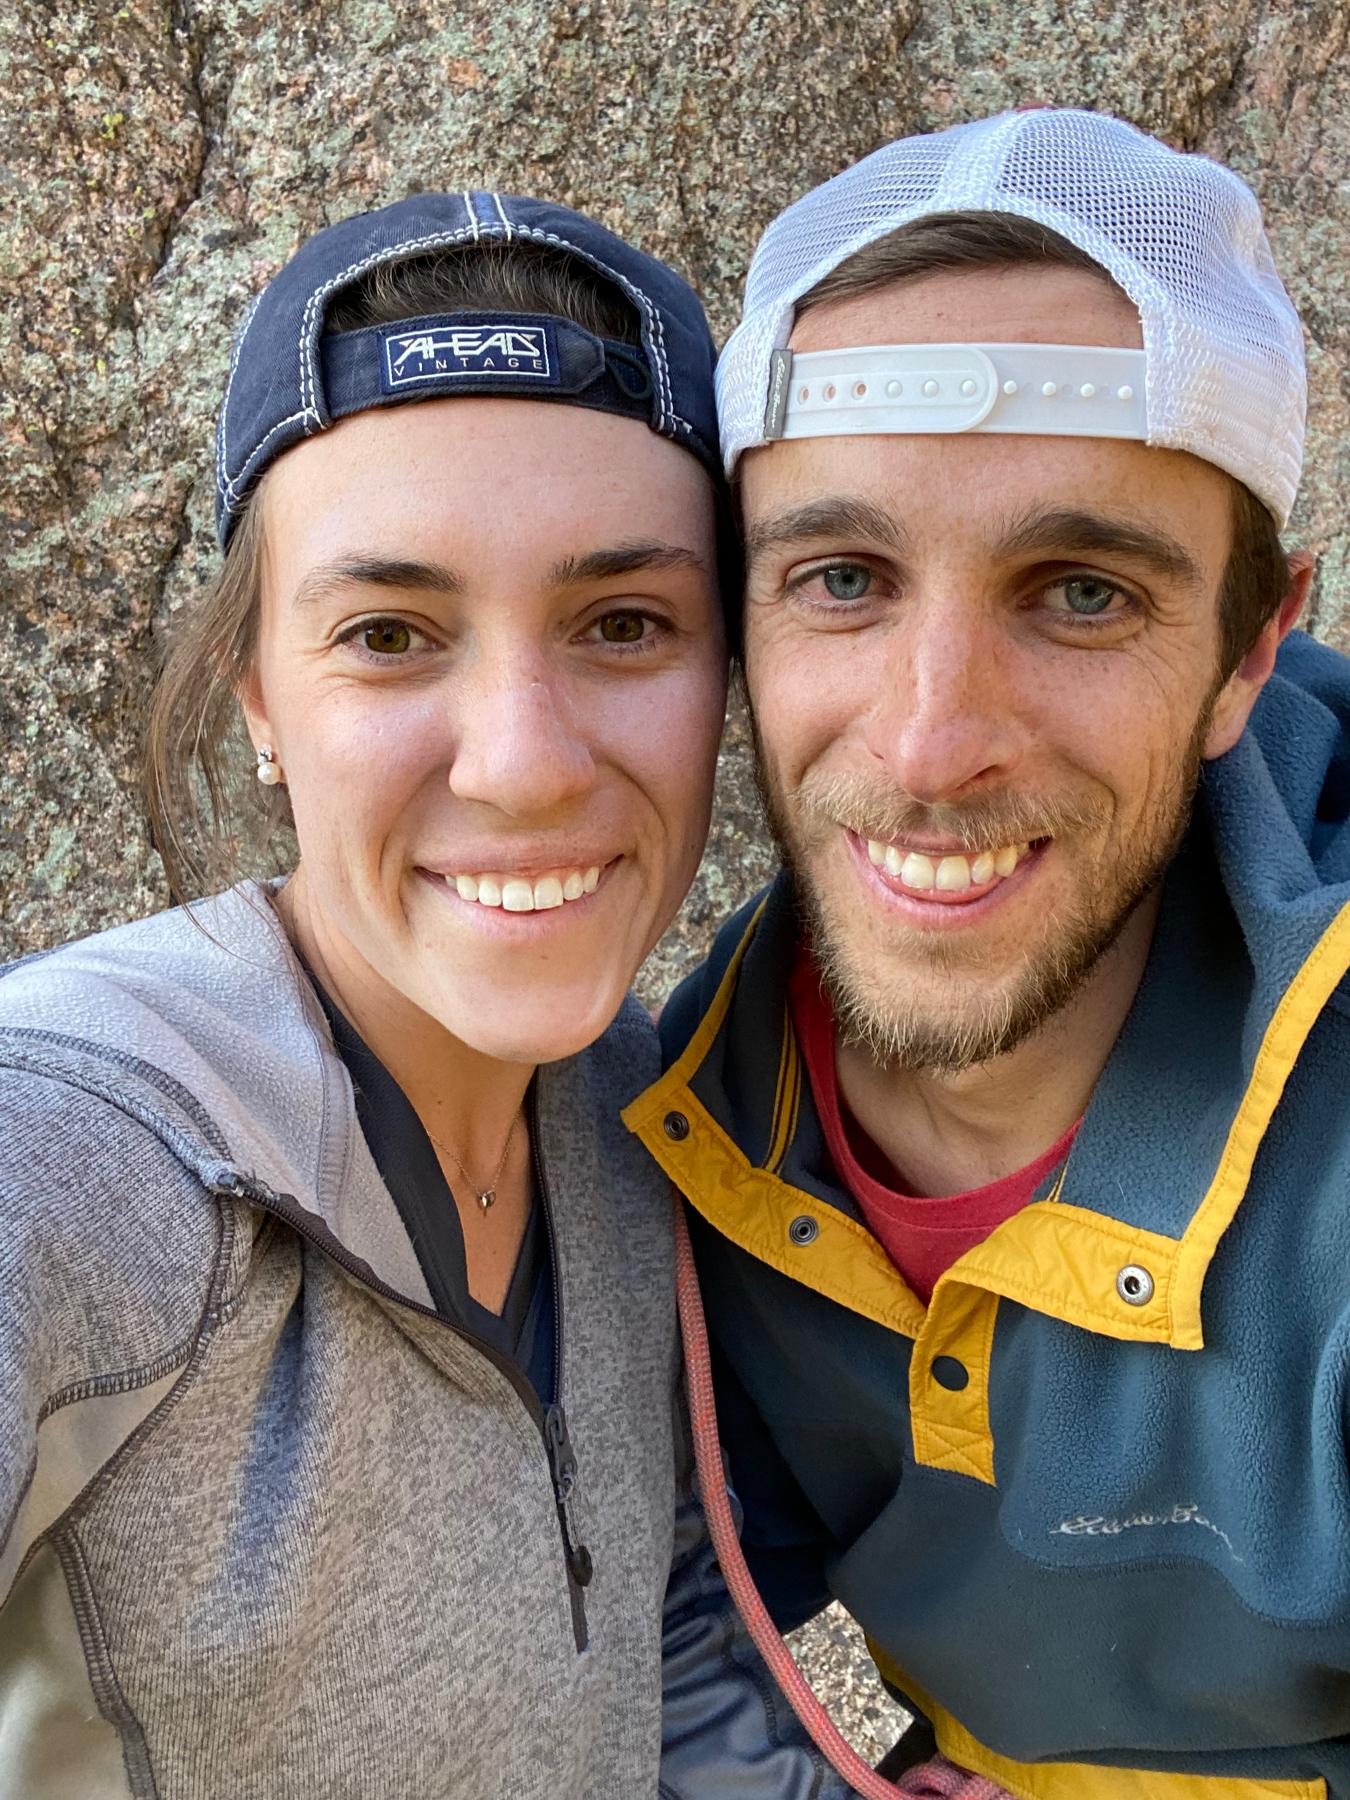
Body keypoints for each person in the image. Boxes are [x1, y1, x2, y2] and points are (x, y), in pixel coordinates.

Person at [0, 191, 854, 1798]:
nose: (523, 762)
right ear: (257, 690)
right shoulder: (71, 1157)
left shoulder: (634, 1112)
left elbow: (649, 1644)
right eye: (389, 634)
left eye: (623, 624)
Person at [626, 108, 1350, 1794]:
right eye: (843, 579)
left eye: (1081, 591)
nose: (932, 741)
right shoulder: (684, 1110)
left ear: (1251, 651)